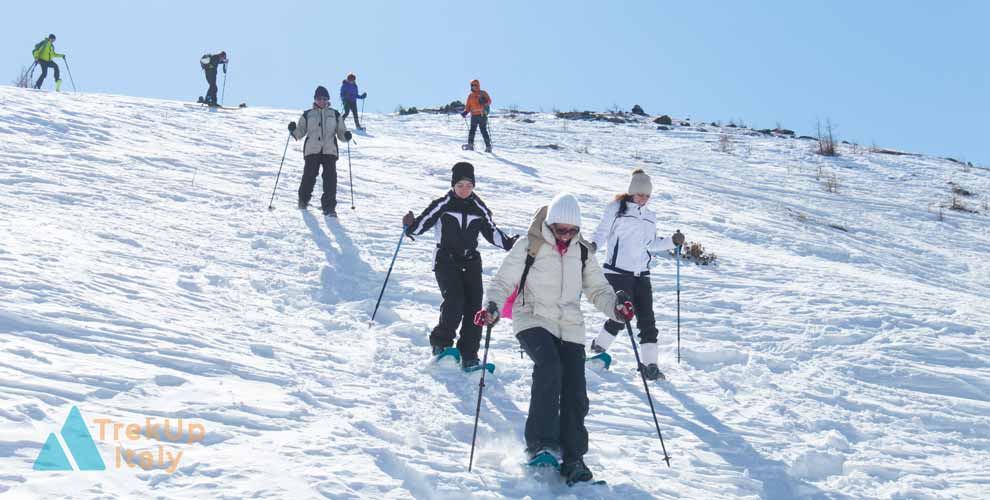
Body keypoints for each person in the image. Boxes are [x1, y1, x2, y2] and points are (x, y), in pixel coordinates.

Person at [478, 193, 635, 484]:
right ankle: (541, 445)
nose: (567, 236)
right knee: (550, 368)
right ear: (550, 225)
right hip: (532, 318)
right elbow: (502, 282)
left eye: (572, 231)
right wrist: (492, 307)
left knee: (576, 389)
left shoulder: (583, 252)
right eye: (561, 230)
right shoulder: (529, 245)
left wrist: (616, 308)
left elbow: (598, 290)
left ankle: (574, 457)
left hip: (571, 326)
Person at [402, 162, 517, 368]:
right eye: (460, 185)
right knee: (455, 300)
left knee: (475, 307)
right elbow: (422, 225)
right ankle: (442, 344)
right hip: (445, 260)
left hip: (471, 261)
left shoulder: (479, 207)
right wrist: (410, 226)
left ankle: (469, 353)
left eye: (469, 186)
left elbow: (492, 231)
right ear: (453, 185)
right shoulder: (443, 204)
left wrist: (510, 243)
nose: (464, 190)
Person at [589, 169, 685, 381]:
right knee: (621, 316)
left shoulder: (650, 217)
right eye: (640, 194)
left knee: (647, 320)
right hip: (617, 273)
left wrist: (672, 241)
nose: (644, 199)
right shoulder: (616, 209)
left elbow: (651, 244)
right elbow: (602, 232)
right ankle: (597, 350)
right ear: (632, 192)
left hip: (642, 274)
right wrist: (593, 245)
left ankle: (650, 366)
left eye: (647, 195)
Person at [287, 86, 352, 216]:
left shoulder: (334, 114)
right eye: (319, 98)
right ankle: (303, 200)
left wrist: (346, 136)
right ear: (315, 100)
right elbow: (299, 133)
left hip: (329, 151)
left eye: (324, 98)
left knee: (330, 179)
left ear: (328, 100)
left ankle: (329, 208)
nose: (321, 101)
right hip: (312, 150)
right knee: (309, 176)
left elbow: (341, 132)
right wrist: (293, 130)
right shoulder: (308, 114)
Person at [460, 79, 492, 152]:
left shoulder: (483, 93)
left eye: (475, 85)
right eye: (472, 85)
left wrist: (485, 101)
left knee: (483, 130)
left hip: (482, 115)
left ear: (478, 85)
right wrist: (465, 112)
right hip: (474, 116)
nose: (473, 86)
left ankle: (488, 146)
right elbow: (468, 107)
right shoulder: (470, 96)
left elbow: (489, 101)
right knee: (472, 131)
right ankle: (470, 145)